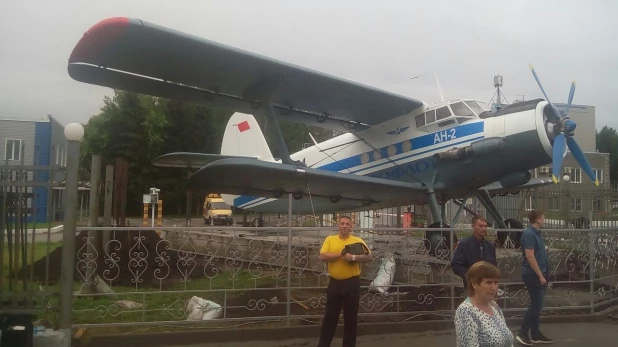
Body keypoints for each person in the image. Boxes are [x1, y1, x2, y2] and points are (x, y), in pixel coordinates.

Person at [317, 215, 373, 347]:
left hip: (351, 283)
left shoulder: (357, 240)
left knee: (351, 318)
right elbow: (322, 256)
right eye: (342, 223)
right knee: (330, 317)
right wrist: (341, 255)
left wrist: (353, 257)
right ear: (338, 225)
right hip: (335, 283)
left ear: (351, 226)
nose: (344, 226)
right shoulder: (330, 240)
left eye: (347, 224)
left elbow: (369, 257)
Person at [454, 261, 513, 347]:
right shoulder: (466, 311)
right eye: (488, 282)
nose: (493, 288)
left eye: (496, 282)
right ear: (474, 284)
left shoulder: (494, 306)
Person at [516, 210, 553, 345]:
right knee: (536, 305)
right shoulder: (529, 234)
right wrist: (540, 275)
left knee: (537, 304)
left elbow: (537, 252)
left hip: (541, 273)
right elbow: (530, 257)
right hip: (533, 274)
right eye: (543, 217)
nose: (544, 219)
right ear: (538, 219)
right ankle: (522, 333)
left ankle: (535, 333)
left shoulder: (537, 234)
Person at [451, 216, 498, 290]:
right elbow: (456, 265)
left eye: (485, 226)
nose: (483, 229)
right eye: (480, 226)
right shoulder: (465, 244)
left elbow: (494, 266)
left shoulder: (489, 246)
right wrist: (470, 276)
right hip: (472, 287)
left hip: (488, 287)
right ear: (473, 226)